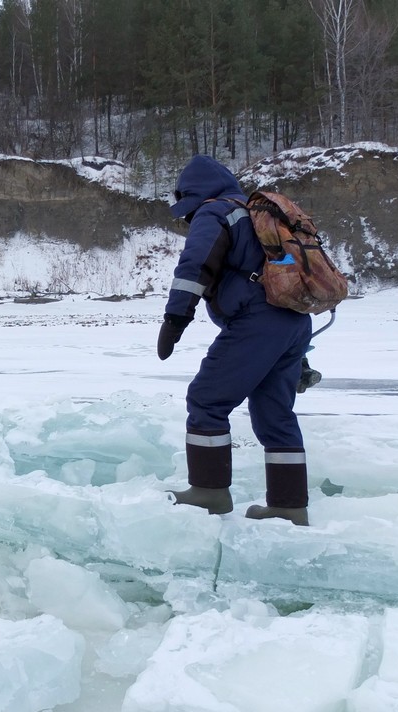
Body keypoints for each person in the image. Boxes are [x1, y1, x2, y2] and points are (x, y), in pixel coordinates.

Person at [157, 154, 312, 526]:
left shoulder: (216, 212)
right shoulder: (261, 215)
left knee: (207, 399)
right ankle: (289, 506)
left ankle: (209, 492)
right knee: (275, 413)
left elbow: (195, 266)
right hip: (294, 320)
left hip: (257, 322)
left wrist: (176, 317)